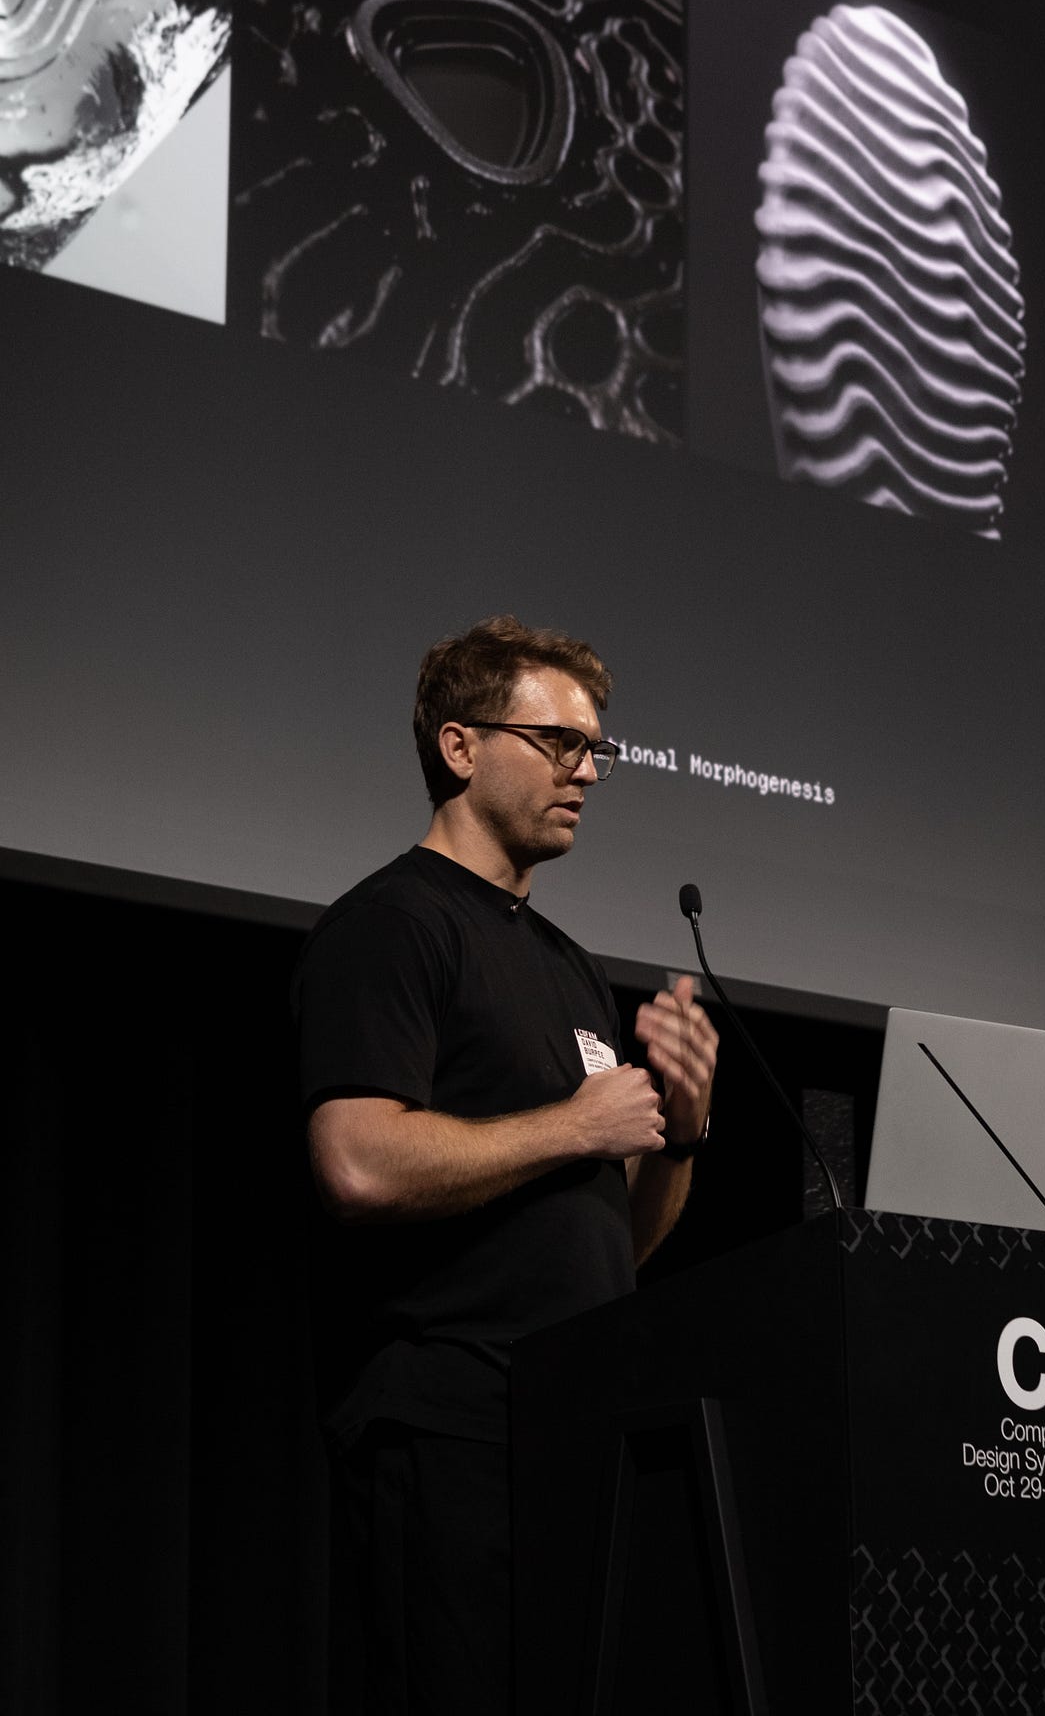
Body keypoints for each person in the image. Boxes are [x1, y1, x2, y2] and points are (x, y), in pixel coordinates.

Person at [294, 615, 717, 1715]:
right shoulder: (392, 925)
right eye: (558, 743)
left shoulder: (569, 966)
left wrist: (681, 1125)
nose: (587, 771)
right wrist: (574, 1127)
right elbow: (354, 1161)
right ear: (460, 747)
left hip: (569, 1429)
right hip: (447, 1431)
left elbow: (616, 1241)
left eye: (597, 751)